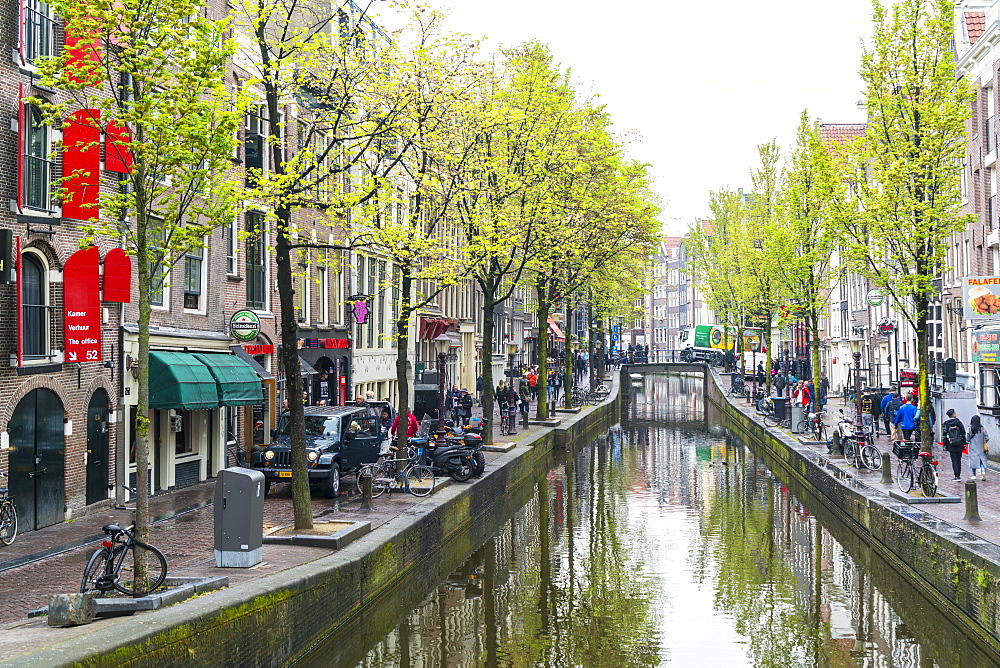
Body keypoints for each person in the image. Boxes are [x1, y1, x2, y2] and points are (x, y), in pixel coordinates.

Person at [941, 409, 967, 482]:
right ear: (954, 414)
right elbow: (963, 433)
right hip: (959, 443)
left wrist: (945, 445)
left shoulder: (946, 424)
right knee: (959, 460)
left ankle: (956, 476)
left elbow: (944, 435)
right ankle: (959, 474)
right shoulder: (959, 423)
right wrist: (964, 443)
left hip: (951, 444)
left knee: (954, 460)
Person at [968, 414, 989, 481]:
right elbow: (987, 437)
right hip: (981, 447)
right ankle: (983, 471)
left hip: (973, 447)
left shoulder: (970, 429)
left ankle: (974, 475)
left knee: (973, 461)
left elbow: (967, 438)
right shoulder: (982, 429)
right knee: (982, 461)